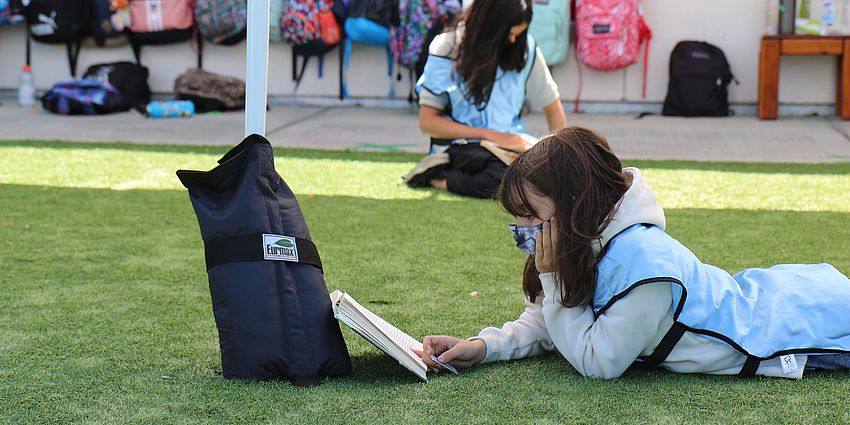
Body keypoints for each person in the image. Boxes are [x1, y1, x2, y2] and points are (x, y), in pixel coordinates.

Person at [414, 126, 850, 379]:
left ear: (576, 203)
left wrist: (549, 276)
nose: (524, 230)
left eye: (532, 215)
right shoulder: (587, 234)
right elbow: (550, 320)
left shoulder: (645, 265)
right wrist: (482, 346)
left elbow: (598, 361)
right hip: (771, 294)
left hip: (792, 328)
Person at [404, 0, 567, 199]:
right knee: (506, 177)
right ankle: (438, 178)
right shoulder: (447, 47)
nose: (513, 40)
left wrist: (556, 156)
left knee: (552, 175)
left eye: (518, 34)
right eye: (509, 34)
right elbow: (428, 122)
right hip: (463, 147)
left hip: (511, 147)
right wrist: (491, 136)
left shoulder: (526, 47)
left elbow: (553, 108)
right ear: (489, 25)